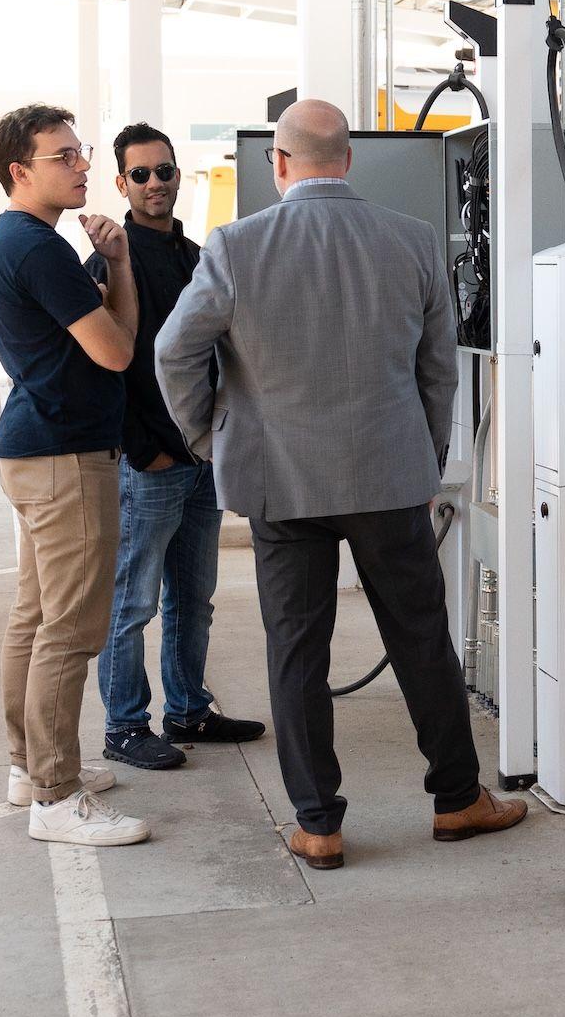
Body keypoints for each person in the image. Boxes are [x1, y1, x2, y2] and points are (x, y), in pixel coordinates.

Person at [153, 99, 524, 869]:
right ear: (347, 160)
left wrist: (206, 437)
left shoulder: (233, 246)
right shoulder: (413, 241)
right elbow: (438, 370)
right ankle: (457, 800)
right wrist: (425, 456)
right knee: (421, 637)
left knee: (296, 650)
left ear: (278, 163)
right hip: (389, 473)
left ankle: (318, 823)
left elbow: (172, 353)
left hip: (278, 480)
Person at [0, 104, 151, 848]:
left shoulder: (23, 241)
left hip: (34, 449)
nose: (82, 166)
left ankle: (28, 768)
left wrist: (116, 263)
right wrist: (113, 273)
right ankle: (55, 793)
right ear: (20, 171)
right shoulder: (39, 249)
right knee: (72, 630)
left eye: (80, 153)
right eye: (65, 157)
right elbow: (117, 352)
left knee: (35, 616)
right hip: (64, 457)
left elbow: (119, 337)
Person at [94, 124, 265, 771]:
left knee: (193, 601)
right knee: (133, 602)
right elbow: (113, 365)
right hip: (151, 466)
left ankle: (189, 709)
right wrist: (146, 450)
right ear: (122, 184)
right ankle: (124, 726)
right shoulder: (112, 260)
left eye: (164, 171)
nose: (155, 183)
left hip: (200, 463)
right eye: (140, 175)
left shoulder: (197, 256)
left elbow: (219, 355)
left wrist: (214, 444)